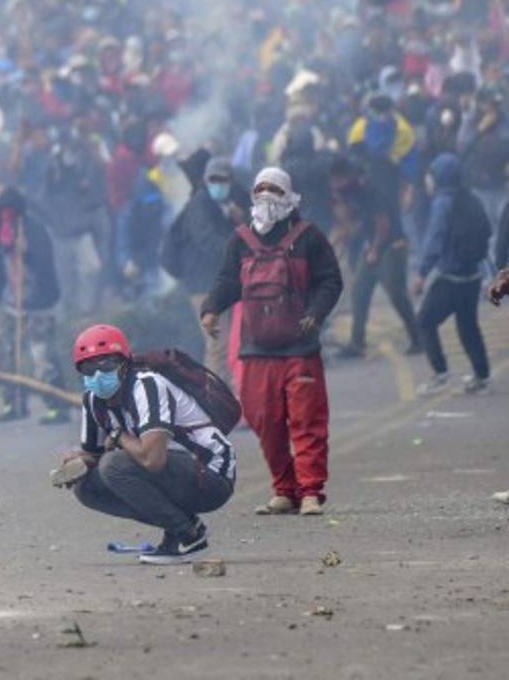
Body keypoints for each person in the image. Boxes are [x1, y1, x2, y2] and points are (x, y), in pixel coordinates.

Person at [200, 167, 343, 516]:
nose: (266, 196)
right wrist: (211, 309)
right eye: (259, 189)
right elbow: (226, 280)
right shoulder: (240, 240)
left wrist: (316, 312)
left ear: (288, 196)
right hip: (256, 349)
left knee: (306, 421)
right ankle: (284, 489)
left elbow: (330, 281)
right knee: (264, 420)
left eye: (274, 190)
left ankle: (310, 491)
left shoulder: (309, 237)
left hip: (300, 348)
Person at [57, 325, 235, 565]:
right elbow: (94, 455)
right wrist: (76, 463)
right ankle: (180, 528)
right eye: (89, 368)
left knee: (114, 465)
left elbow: (153, 460)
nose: (98, 375)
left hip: (212, 475)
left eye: (106, 365)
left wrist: (118, 435)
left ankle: (188, 535)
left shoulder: (148, 386)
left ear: (124, 363)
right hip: (171, 471)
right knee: (87, 487)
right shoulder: (92, 399)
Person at [413, 154, 492, 396]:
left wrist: (422, 272)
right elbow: (487, 231)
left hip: (451, 278)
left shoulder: (442, 203)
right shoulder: (473, 198)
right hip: (472, 276)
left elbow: (435, 240)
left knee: (425, 321)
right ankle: (482, 375)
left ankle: (440, 373)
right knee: (468, 325)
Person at [0, 186, 69, 424]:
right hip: (11, 302)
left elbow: (45, 268)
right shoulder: (2, 232)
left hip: (38, 304)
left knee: (42, 356)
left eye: (10, 211)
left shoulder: (34, 231)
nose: (6, 215)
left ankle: (56, 405)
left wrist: (28, 253)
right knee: (5, 353)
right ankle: (13, 403)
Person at [329, 157, 420, 358]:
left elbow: (383, 224)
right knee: (360, 291)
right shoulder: (350, 191)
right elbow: (358, 221)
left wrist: (374, 251)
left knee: (395, 292)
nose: (335, 185)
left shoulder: (370, 189)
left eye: (337, 181)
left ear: (348, 177)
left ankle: (418, 337)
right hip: (373, 245)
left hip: (392, 245)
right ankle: (357, 343)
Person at [163, 157, 243, 381]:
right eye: (213, 179)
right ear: (206, 180)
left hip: (217, 282)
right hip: (203, 284)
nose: (218, 183)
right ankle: (215, 399)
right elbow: (206, 240)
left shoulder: (223, 204)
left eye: (222, 179)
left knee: (227, 343)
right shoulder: (200, 204)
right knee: (218, 344)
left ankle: (228, 397)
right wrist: (238, 248)